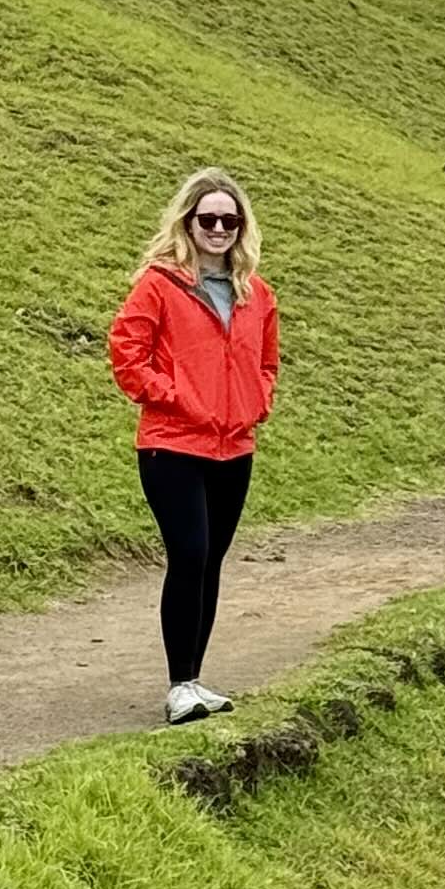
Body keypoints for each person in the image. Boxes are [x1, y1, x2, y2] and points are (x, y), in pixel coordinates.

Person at [107, 168, 280, 725]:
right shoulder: (158, 285)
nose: (219, 229)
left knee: (212, 564)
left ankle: (195, 679)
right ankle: (180, 685)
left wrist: (257, 400)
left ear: (242, 227)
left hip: (235, 446)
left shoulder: (257, 294)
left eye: (231, 220)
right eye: (208, 218)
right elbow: (126, 356)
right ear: (188, 221)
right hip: (172, 444)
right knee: (190, 555)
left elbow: (267, 362)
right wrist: (175, 396)